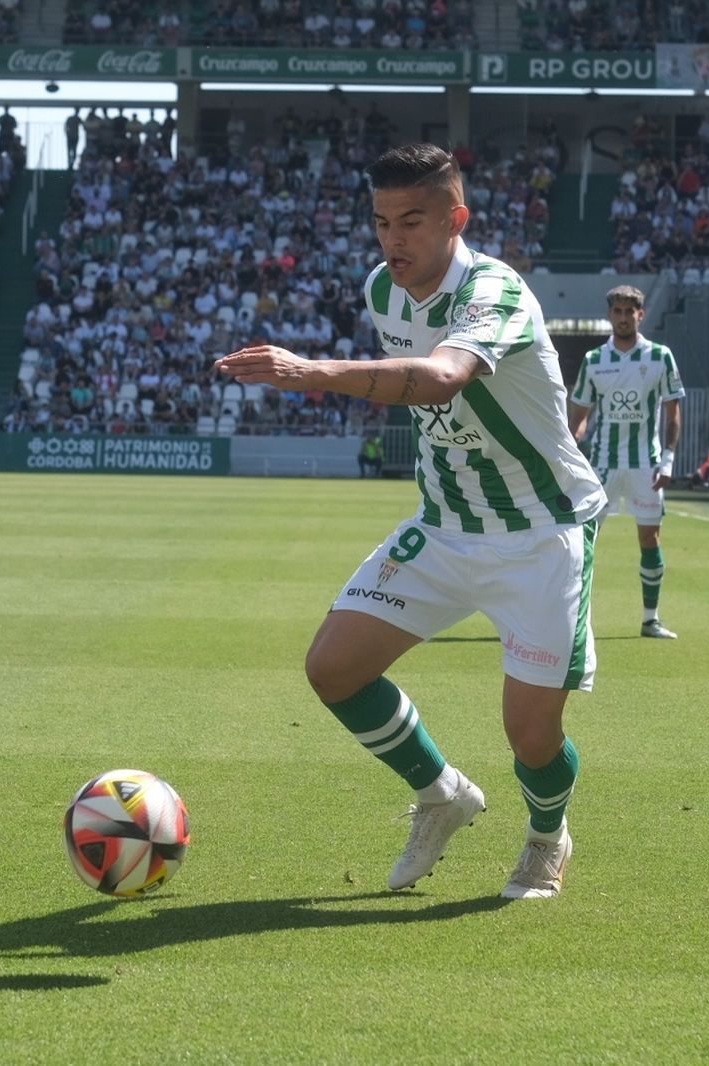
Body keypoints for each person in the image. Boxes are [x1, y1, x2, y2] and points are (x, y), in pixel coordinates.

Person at [216, 144, 605, 900]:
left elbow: (441, 380)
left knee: (531, 737)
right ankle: (442, 794)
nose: (394, 239)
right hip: (446, 523)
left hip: (540, 533)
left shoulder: (496, 292)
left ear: (456, 219)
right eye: (382, 222)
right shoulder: (382, 291)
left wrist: (312, 371)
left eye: (414, 222)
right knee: (334, 668)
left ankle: (546, 836)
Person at [568, 285, 685, 639]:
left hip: (644, 466)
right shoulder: (594, 361)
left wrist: (667, 460)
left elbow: (673, 411)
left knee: (650, 538)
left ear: (640, 315)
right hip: (602, 464)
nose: (622, 318)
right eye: (617, 312)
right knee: (583, 541)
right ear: (610, 316)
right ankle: (573, 620)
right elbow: (581, 414)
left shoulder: (659, 356)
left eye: (628, 312)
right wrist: (575, 441)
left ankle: (651, 619)